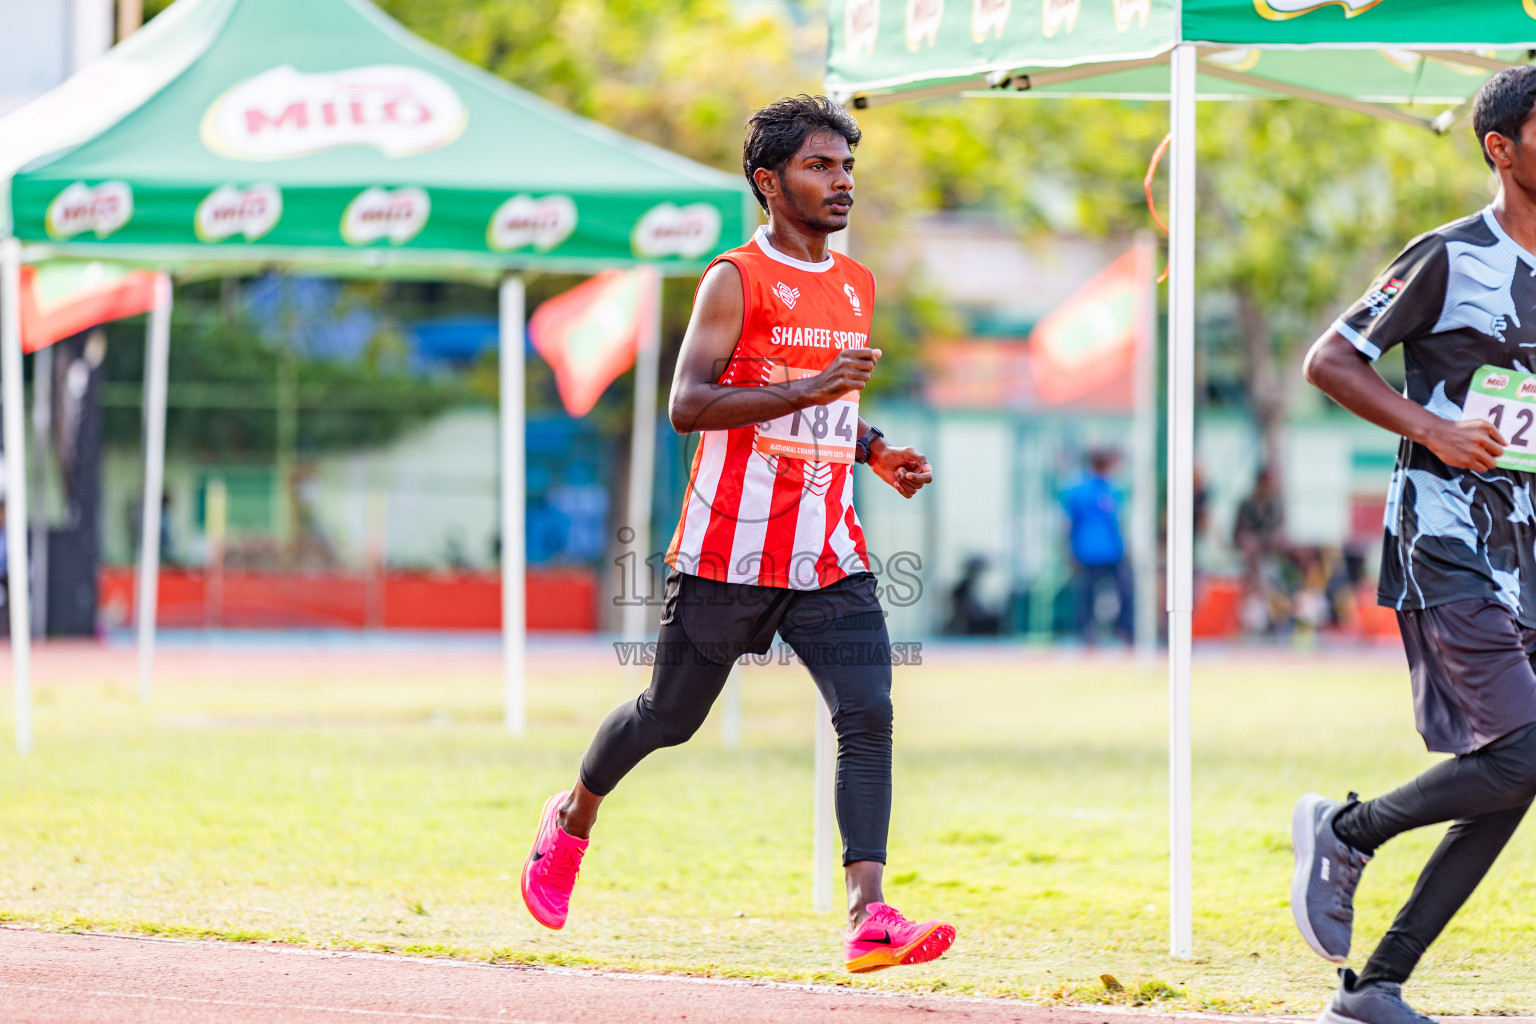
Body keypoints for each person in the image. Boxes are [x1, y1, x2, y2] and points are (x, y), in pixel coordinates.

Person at [520, 94, 955, 974]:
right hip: (728, 553)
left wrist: (873, 451)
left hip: (829, 552)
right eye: (820, 167)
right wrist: (810, 387)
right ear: (769, 181)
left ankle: (869, 913)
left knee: (868, 713)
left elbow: (833, 402)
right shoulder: (735, 278)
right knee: (669, 718)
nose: (841, 183)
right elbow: (689, 405)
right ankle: (571, 818)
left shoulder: (856, 282)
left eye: (847, 167)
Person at [1292, 66, 1536, 1024]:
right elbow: (1329, 358)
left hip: (1528, 548)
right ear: (1501, 148)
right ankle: (1347, 831)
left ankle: (1377, 986)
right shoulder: (1450, 254)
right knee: (1523, 752)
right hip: (1446, 533)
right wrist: (1432, 429)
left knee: (1516, 771)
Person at [1059, 449, 1132, 643]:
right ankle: (1119, 629)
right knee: (1103, 592)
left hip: (1093, 550)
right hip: (1102, 551)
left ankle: (1094, 631)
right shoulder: (1108, 490)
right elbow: (1118, 523)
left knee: (1089, 594)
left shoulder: (1080, 489)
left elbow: (1068, 524)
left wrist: (1069, 550)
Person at [1233, 465, 1289, 634]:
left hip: (1270, 558)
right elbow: (1237, 534)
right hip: (1251, 560)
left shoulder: (1276, 506)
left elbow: (1279, 532)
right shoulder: (1246, 505)